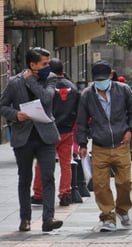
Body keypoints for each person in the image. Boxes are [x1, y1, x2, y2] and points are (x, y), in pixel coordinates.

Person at [0, 47, 63, 232]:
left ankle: (48, 218)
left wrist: (30, 80)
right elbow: (2, 105)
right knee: (24, 178)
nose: (47, 67)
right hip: (24, 138)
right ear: (32, 64)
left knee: (48, 177)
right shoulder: (14, 83)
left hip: (46, 137)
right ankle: (25, 218)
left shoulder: (50, 78)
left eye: (48, 63)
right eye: (43, 64)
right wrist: (15, 114)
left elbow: (46, 98)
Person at [76, 60, 132, 232]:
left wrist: (130, 131)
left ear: (111, 75)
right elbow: (81, 122)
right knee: (100, 185)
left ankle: (122, 209)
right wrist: (82, 143)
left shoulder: (123, 90)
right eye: (97, 79)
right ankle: (107, 217)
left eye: (104, 78)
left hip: (121, 144)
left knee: (125, 182)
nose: (101, 83)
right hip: (99, 146)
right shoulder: (87, 95)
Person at [31, 58, 80, 207]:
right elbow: (77, 110)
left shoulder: (46, 87)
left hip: (48, 130)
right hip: (66, 131)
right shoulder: (73, 87)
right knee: (66, 163)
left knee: (41, 163)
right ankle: (65, 193)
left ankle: (39, 194)